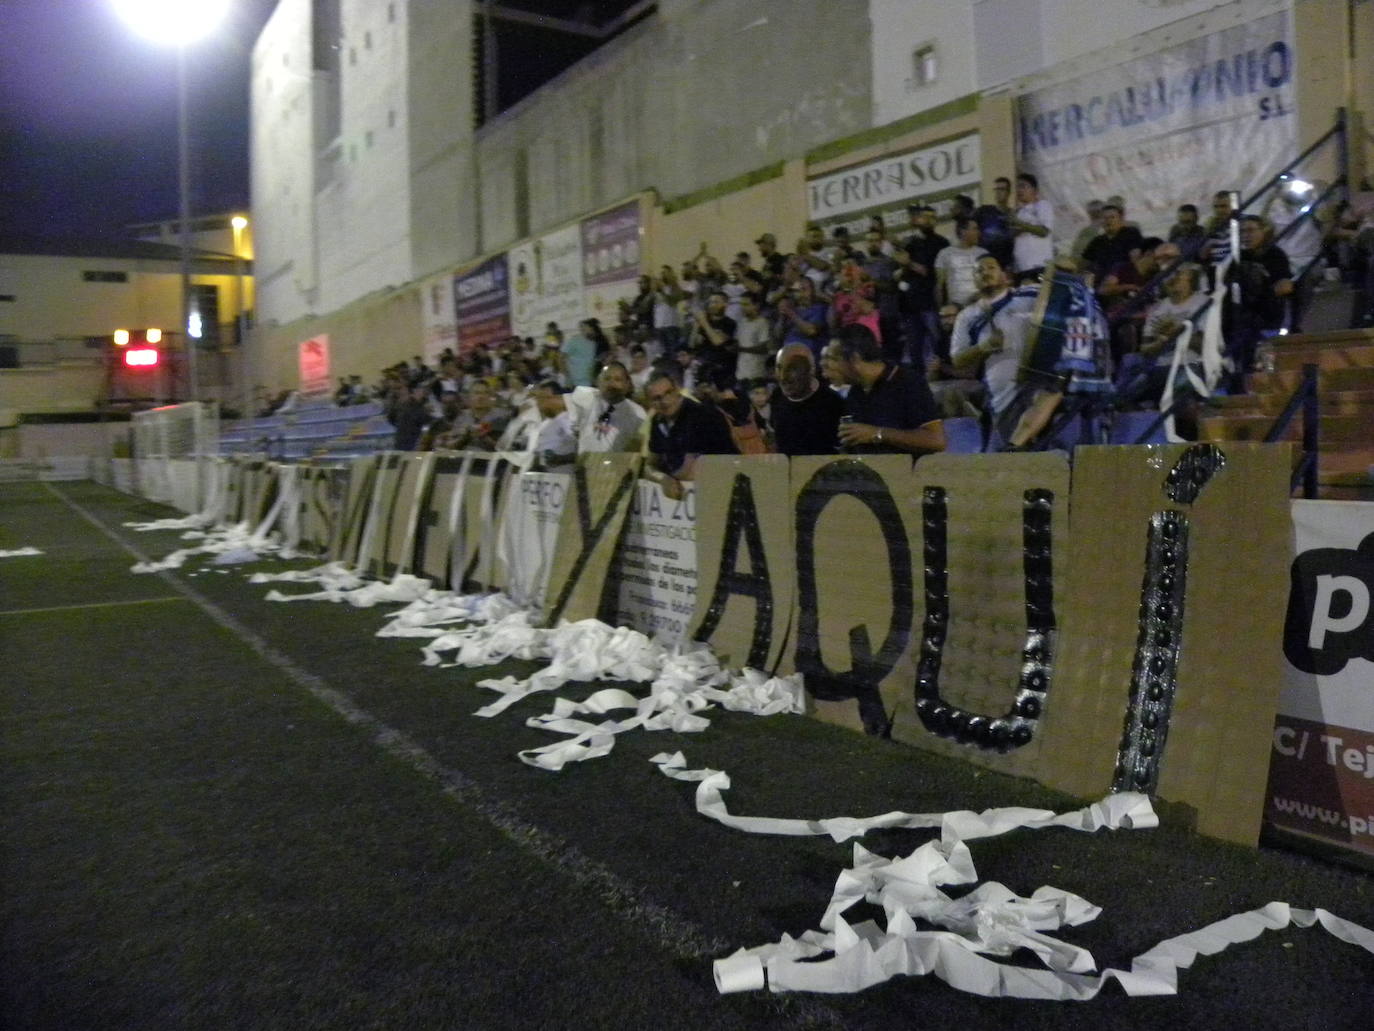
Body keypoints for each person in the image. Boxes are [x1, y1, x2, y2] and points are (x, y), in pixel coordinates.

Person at [949, 255, 1040, 449]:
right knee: (1012, 457)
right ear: (974, 280)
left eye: (991, 267)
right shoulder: (967, 316)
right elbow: (957, 359)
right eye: (979, 271)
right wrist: (984, 346)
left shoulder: (1030, 296)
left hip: (1039, 392)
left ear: (1004, 275)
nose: (985, 273)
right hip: (1001, 399)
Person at [832, 323, 945, 456]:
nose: (829, 365)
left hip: (906, 468)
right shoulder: (856, 391)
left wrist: (878, 433)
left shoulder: (908, 383)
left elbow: (936, 441)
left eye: (834, 359)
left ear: (854, 359)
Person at [644, 366, 738, 498]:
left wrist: (666, 477)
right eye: (657, 398)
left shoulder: (703, 415)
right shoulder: (657, 421)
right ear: (649, 402)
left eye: (668, 392)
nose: (664, 401)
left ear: (678, 389)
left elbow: (689, 472)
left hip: (724, 491)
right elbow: (650, 466)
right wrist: (663, 479)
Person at [770, 343, 844, 456]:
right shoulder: (777, 396)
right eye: (779, 368)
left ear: (811, 370)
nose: (783, 376)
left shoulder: (833, 404)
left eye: (792, 368)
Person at [935, 217, 989, 309]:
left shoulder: (983, 253)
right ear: (963, 231)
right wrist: (941, 308)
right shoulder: (945, 253)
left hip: (980, 303)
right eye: (975, 229)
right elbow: (939, 284)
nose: (978, 232)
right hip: (956, 306)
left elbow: (988, 279)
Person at [1010, 173, 1055, 281]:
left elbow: (1044, 231)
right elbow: (1013, 234)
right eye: (1017, 187)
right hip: (1021, 268)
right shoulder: (1019, 212)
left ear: (1034, 190)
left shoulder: (1043, 205)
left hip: (1040, 265)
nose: (1019, 190)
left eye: (1023, 186)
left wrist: (1020, 224)